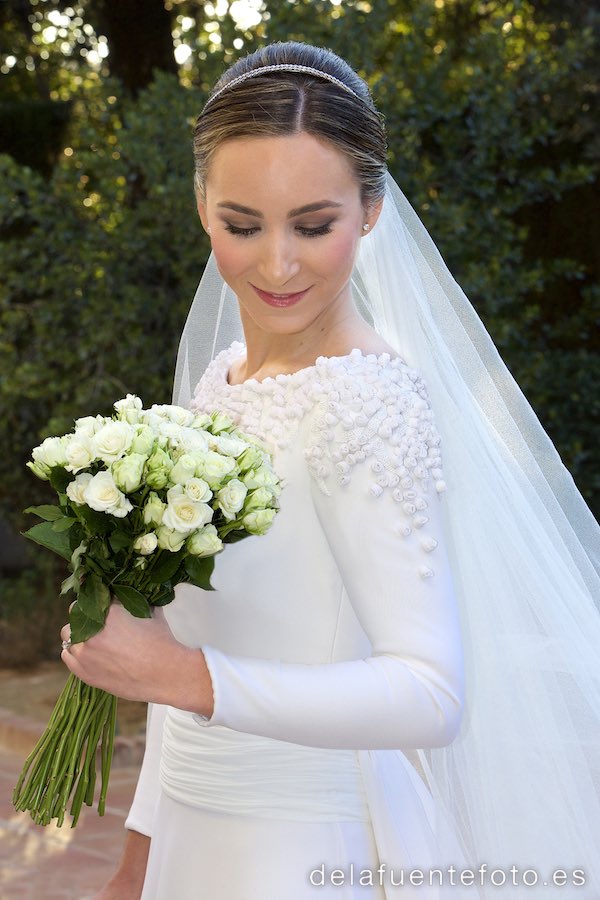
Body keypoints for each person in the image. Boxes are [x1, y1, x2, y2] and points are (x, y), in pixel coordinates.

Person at [60, 42, 600, 899]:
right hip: (195, 835)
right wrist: (137, 858)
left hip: (304, 853)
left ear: (372, 209)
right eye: (243, 225)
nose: (277, 264)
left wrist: (181, 678)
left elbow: (431, 693)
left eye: (314, 225)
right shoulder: (222, 380)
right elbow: (190, 639)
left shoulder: (364, 403)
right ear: (202, 205)